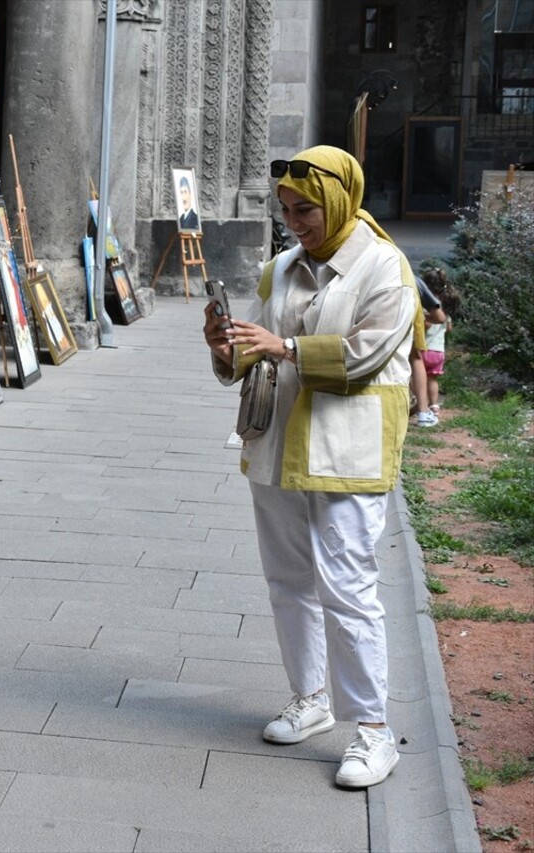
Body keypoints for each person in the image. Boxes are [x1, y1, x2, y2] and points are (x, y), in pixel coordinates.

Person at [202, 145, 417, 790]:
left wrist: (285, 345)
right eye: (287, 210)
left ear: (342, 201)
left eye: (306, 210)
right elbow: (257, 355)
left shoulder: (385, 268)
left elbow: (366, 357)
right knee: (288, 581)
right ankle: (312, 698)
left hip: (347, 451)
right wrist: (227, 347)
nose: (294, 222)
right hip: (276, 444)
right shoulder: (281, 270)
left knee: (348, 587)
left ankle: (374, 733)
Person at [420, 267, 459, 417]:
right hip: (439, 351)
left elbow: (427, 325)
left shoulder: (426, 306)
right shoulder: (444, 307)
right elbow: (449, 328)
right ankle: (434, 406)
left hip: (425, 349)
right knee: (433, 380)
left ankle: (421, 401)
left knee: (417, 376)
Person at [409, 275, 447, 427]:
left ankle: (418, 404)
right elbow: (440, 317)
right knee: (417, 364)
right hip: (434, 350)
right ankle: (425, 410)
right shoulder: (411, 278)